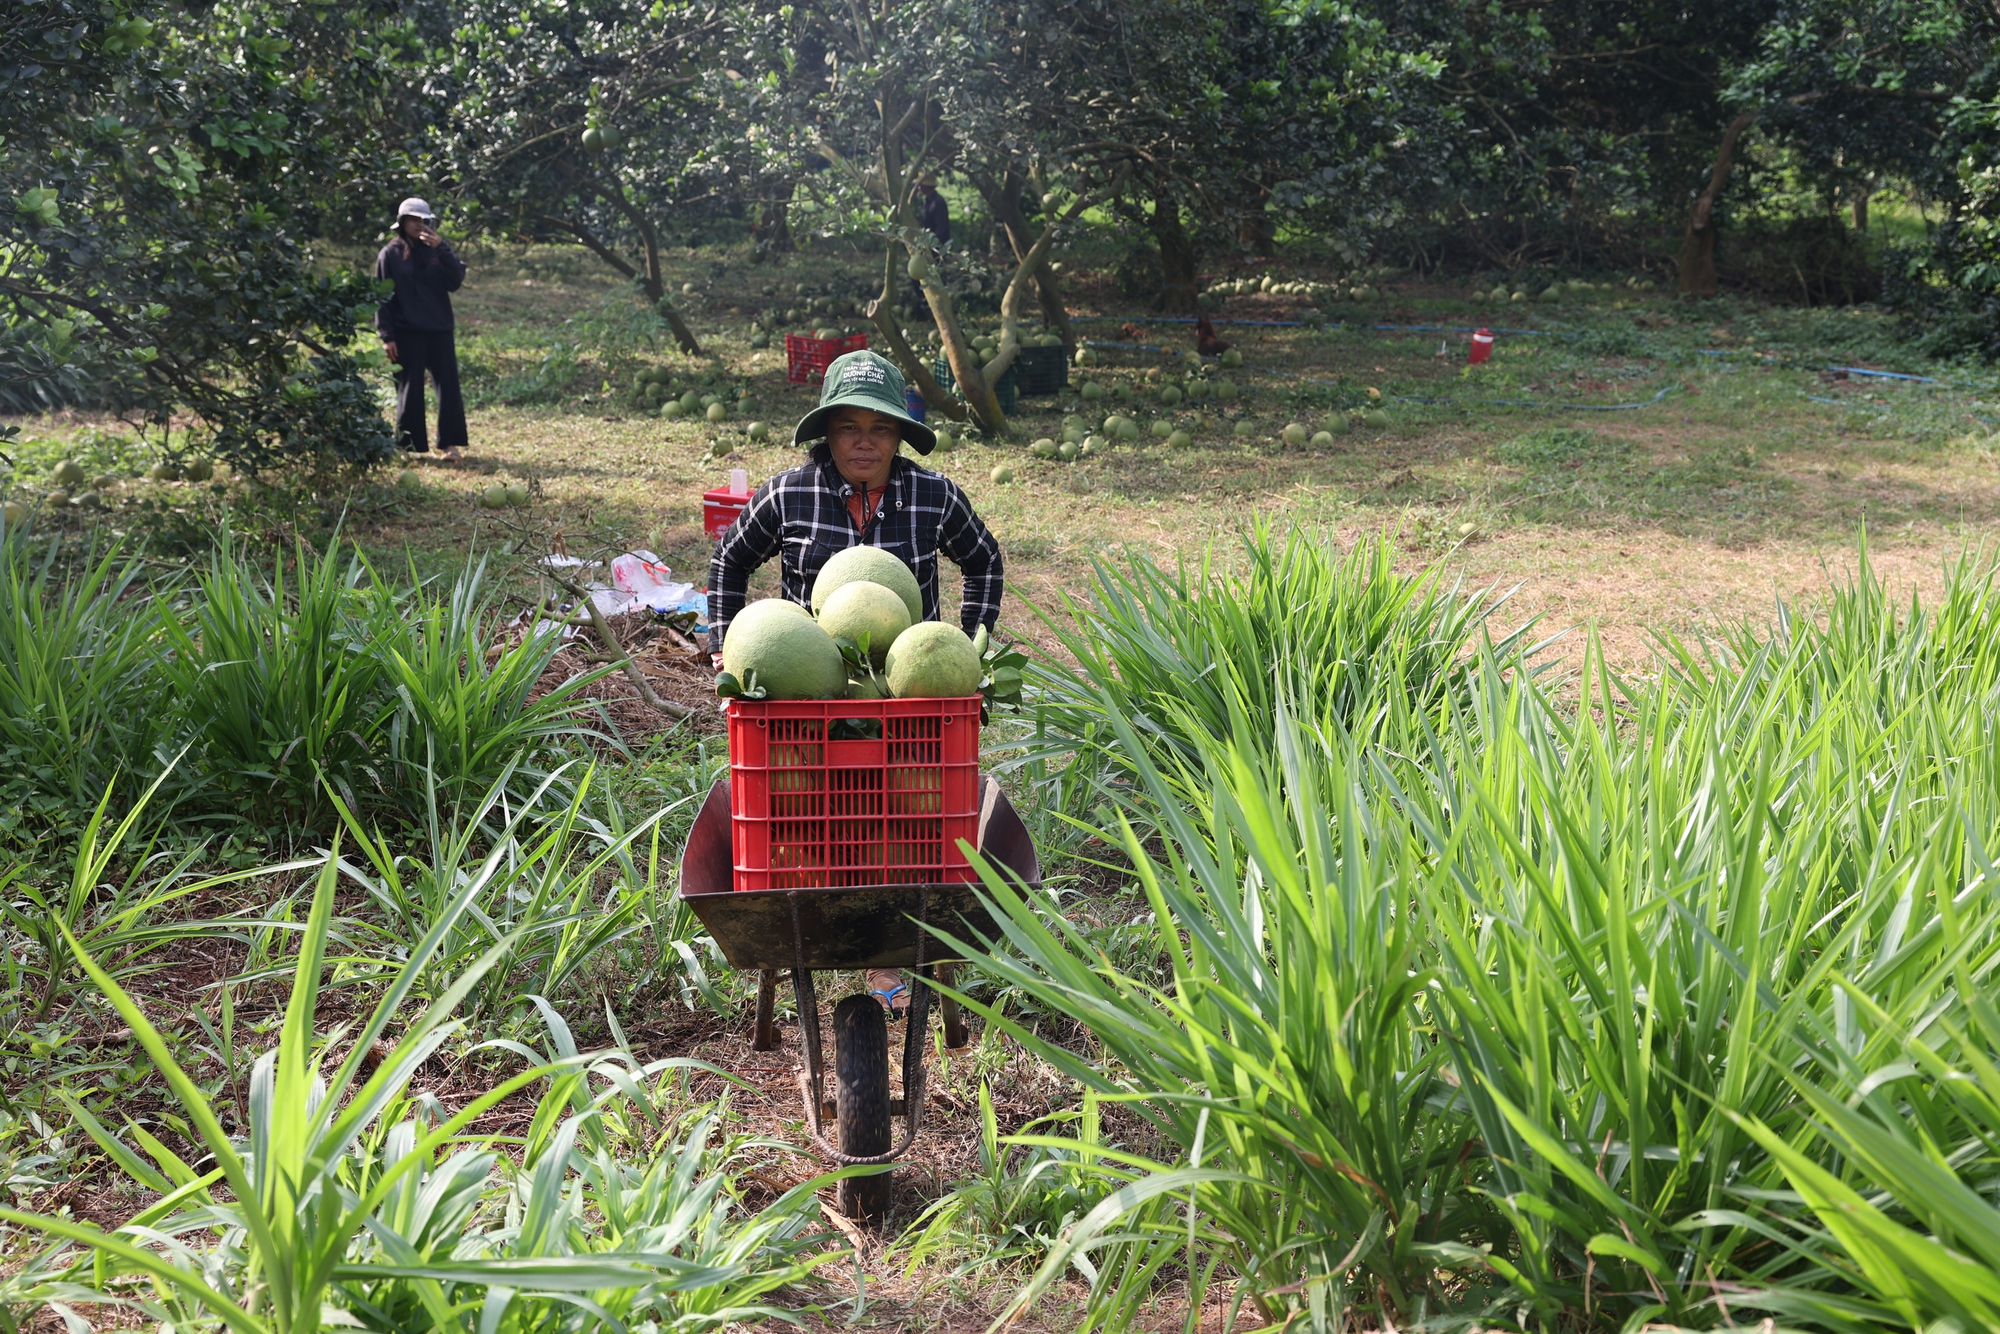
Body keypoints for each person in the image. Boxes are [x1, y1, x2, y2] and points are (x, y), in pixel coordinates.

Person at [708, 350, 1003, 1017]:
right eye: (848, 426)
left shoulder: (933, 495)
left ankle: (888, 946)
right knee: (809, 814)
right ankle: (824, 921)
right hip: (803, 698)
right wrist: (723, 643)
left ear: (900, 435)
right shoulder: (789, 493)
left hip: (906, 698)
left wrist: (971, 646)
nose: (864, 440)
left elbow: (983, 561)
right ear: (827, 434)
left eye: (880, 427)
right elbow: (730, 559)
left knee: (904, 818)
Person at [375, 197, 468, 458]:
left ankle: (450, 444)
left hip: (439, 329)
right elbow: (381, 297)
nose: (418, 224)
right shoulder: (389, 254)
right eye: (412, 219)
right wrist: (387, 335)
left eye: (422, 220)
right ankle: (406, 445)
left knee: (448, 388)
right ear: (402, 222)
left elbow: (455, 281)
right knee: (409, 389)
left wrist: (443, 249)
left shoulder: (437, 250)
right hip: (406, 332)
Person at [908, 173, 951, 318]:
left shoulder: (938, 202)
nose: (918, 188)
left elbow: (942, 228)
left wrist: (932, 246)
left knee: (937, 277)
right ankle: (924, 306)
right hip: (927, 245)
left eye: (920, 185)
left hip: (936, 247)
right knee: (919, 279)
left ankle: (939, 309)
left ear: (927, 186)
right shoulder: (927, 201)